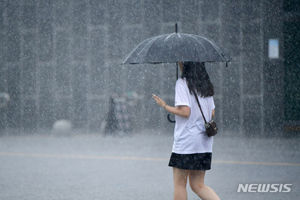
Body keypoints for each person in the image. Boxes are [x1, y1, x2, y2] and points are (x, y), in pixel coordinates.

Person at [152, 61, 220, 200]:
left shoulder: (182, 83)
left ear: (186, 64)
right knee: (198, 185)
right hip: (204, 143)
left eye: (181, 60)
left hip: (187, 143)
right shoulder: (206, 84)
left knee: (179, 185)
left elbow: (185, 112)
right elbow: (211, 113)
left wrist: (165, 106)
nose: (179, 63)